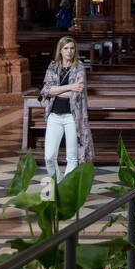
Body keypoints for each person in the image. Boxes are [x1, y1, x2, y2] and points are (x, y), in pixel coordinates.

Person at [38, 36, 94, 182]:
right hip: (54, 116)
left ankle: (65, 190)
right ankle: (56, 185)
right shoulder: (53, 66)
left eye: (72, 48)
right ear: (60, 51)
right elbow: (45, 90)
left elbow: (77, 93)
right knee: (49, 156)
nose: (69, 51)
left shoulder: (79, 67)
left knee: (72, 158)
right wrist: (69, 87)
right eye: (66, 48)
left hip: (72, 117)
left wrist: (56, 90)